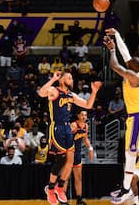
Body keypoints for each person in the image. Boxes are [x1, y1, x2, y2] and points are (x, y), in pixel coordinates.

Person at [38, 70, 101, 205]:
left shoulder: (71, 95)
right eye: (69, 77)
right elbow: (41, 93)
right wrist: (53, 79)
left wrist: (94, 91)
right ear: (62, 80)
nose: (71, 79)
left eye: (72, 78)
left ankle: (60, 187)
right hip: (57, 127)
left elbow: (88, 105)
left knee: (70, 160)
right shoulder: (54, 91)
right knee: (60, 159)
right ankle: (50, 189)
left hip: (67, 128)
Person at [104, 28, 139, 201]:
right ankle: (126, 188)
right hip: (135, 117)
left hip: (138, 117)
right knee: (128, 154)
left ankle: (127, 189)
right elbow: (126, 56)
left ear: (133, 67)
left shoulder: (133, 76)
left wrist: (112, 50)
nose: (127, 61)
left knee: (131, 155)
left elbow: (114, 65)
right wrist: (116, 35)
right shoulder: (136, 72)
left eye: (129, 62)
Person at [64, 110, 94, 205]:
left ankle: (79, 199)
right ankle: (63, 200)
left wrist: (90, 149)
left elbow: (85, 139)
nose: (84, 116)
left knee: (78, 177)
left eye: (85, 115)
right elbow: (65, 138)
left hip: (77, 154)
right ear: (78, 116)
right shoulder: (73, 125)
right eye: (82, 115)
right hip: (69, 154)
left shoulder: (86, 126)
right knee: (65, 177)